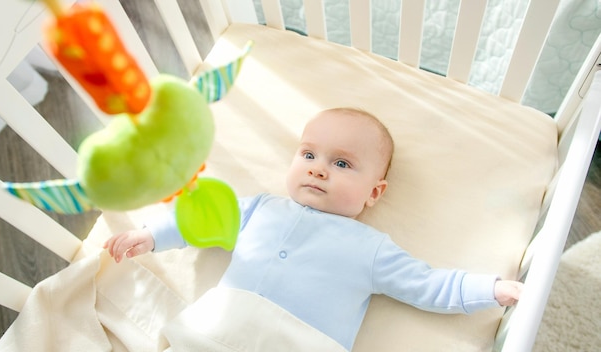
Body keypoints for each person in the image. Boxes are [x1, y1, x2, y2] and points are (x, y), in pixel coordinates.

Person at [104, 107, 523, 350]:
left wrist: (491, 290)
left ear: (374, 193)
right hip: (219, 334)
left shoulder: (371, 248)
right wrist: (152, 235)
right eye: (308, 154)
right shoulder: (260, 209)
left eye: (341, 164)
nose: (319, 169)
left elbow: (429, 285)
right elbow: (201, 217)